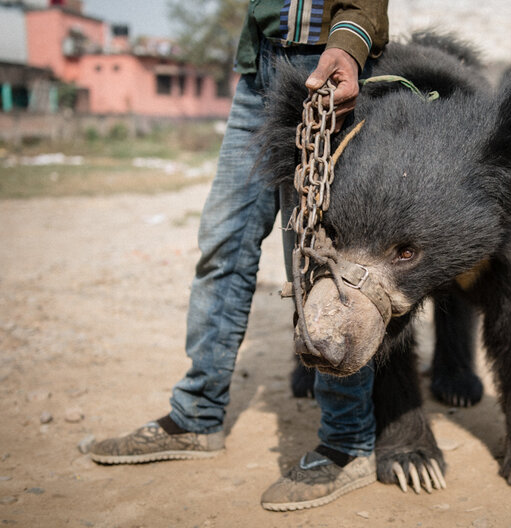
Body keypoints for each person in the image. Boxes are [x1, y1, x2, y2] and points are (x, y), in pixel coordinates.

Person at [89, 0, 389, 512]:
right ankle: (196, 417)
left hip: (324, 65)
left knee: (319, 258)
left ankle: (347, 442)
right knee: (223, 242)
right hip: (261, 74)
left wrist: (350, 43)